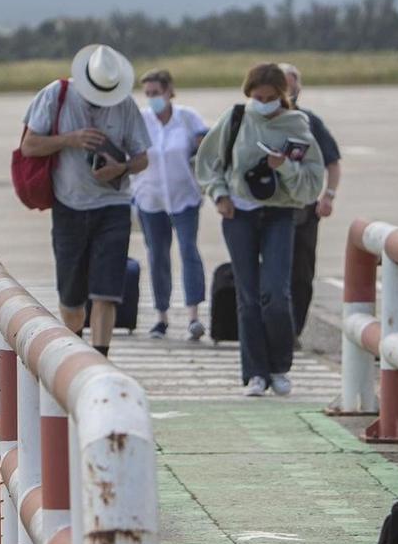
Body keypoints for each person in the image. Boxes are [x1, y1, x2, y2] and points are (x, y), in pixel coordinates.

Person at [193, 62, 326, 396]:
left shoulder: (297, 124)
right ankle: (255, 372)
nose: (263, 102)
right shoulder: (237, 117)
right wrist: (219, 194)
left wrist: (287, 169)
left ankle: (280, 366)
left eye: (270, 97)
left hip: (280, 214)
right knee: (248, 296)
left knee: (277, 294)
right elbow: (207, 161)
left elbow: (312, 182)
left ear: (282, 95)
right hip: (239, 215)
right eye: (257, 96)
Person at [19, 45, 150, 354]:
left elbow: (143, 158)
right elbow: (29, 146)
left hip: (113, 205)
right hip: (70, 206)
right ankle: (75, 350)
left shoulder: (125, 104)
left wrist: (123, 167)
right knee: (71, 297)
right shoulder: (56, 95)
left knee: (107, 292)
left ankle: (101, 357)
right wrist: (70, 139)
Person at [131, 68, 209, 340]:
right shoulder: (141, 120)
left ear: (168, 91)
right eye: (148, 93)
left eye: (157, 92)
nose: (153, 98)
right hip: (150, 198)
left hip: (184, 197)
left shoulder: (187, 118)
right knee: (157, 256)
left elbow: (206, 147)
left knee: (188, 250)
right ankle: (161, 316)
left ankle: (193, 316)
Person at [280, 63, 343, 340]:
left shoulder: (309, 122)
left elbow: (333, 162)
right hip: (271, 209)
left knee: (301, 274)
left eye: (291, 87)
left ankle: (293, 331)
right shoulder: (259, 122)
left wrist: (328, 196)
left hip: (303, 211)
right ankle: (275, 329)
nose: (287, 92)